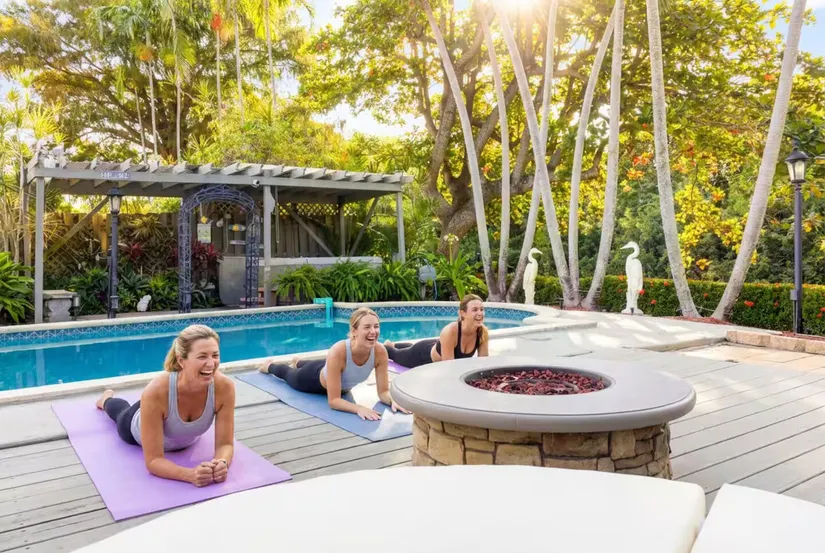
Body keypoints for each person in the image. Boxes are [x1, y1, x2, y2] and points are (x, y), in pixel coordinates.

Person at [95, 324, 236, 488]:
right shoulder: (156, 391)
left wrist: (221, 463)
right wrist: (190, 475)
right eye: (202, 356)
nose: (211, 363)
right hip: (136, 425)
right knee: (120, 411)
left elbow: (225, 444)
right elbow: (154, 461)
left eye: (215, 355)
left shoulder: (224, 387)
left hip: (173, 423)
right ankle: (105, 400)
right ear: (181, 360)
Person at [258, 307, 409, 421]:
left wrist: (392, 400)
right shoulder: (339, 351)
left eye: (376, 326)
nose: (373, 331)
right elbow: (334, 401)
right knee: (288, 374)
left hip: (332, 372)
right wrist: (359, 408)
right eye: (367, 327)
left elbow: (383, 392)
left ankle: (298, 361)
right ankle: (269, 366)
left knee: (324, 364)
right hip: (312, 379)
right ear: (354, 331)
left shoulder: (380, 352)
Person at [384, 294, 490, 369]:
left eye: (482, 309)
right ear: (462, 313)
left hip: (435, 346)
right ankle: (388, 346)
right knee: (394, 354)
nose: (480, 313)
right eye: (475, 310)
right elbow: (450, 368)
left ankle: (395, 344)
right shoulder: (451, 331)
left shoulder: (483, 332)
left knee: (410, 348)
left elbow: (483, 364)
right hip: (423, 356)